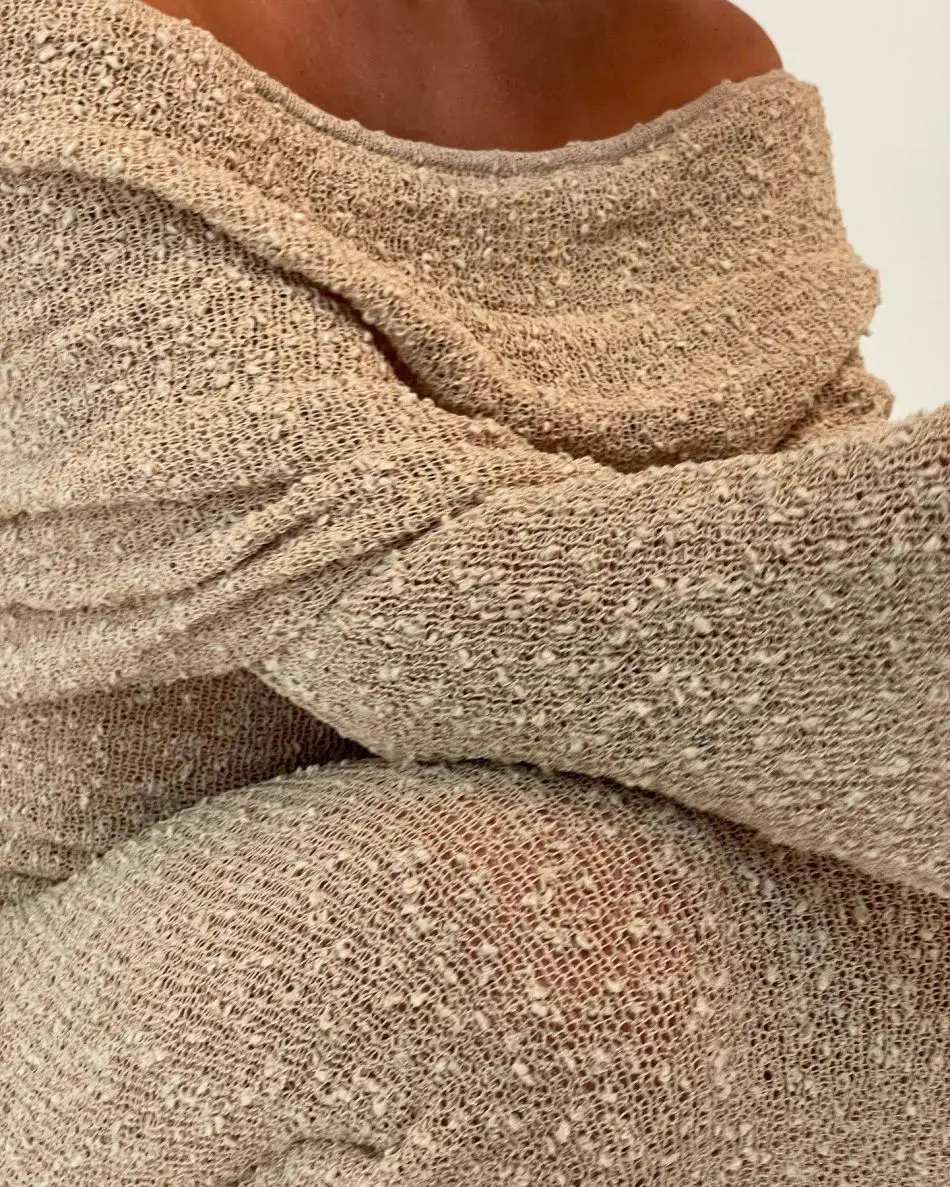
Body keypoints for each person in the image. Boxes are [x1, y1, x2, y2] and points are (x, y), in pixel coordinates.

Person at [1, 1, 947, 1184]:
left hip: (600, 876)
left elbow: (839, 674)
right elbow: (412, 607)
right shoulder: (58, 63)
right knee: (471, 943)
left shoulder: (701, 59)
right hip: (69, 978)